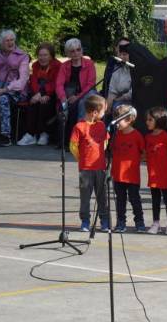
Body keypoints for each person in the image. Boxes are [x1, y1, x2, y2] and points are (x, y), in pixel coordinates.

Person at [69, 94, 109, 232]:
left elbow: (105, 141)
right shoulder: (79, 126)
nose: (105, 114)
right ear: (95, 112)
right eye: (104, 111)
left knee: (102, 196)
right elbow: (73, 146)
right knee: (85, 196)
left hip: (100, 167)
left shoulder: (102, 125)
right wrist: (82, 158)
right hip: (86, 168)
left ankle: (104, 220)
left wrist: (101, 155)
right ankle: (85, 221)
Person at [0, 29, 30, 146]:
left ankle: (6, 136)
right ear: (2, 43)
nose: (11, 43)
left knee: (3, 99)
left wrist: (4, 90)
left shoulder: (23, 56)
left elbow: (22, 81)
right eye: (7, 41)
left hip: (17, 92)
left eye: (12, 40)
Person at [110, 104, 146, 233]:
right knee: (120, 200)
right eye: (115, 118)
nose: (117, 122)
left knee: (134, 199)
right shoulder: (116, 135)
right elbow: (113, 151)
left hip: (131, 175)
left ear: (129, 120)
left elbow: (143, 153)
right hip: (118, 174)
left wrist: (135, 162)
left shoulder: (137, 136)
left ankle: (140, 221)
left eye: (119, 119)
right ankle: (121, 222)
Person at [56, 38, 98, 147]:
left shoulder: (89, 64)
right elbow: (59, 84)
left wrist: (78, 97)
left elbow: (90, 84)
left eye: (78, 50)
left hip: (85, 95)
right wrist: (63, 98)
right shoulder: (64, 66)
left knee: (79, 105)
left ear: (81, 50)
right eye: (72, 51)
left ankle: (78, 139)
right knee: (63, 108)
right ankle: (64, 141)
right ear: (68, 53)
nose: (76, 53)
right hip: (68, 95)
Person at [17, 43, 61, 146]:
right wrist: (37, 94)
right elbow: (33, 81)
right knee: (32, 102)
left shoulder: (58, 66)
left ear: (51, 56)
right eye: (40, 55)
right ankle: (30, 134)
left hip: (53, 93)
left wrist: (44, 94)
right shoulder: (35, 65)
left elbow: (56, 83)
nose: (42, 58)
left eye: (45, 55)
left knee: (45, 103)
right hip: (37, 92)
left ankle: (44, 133)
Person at [144, 107, 167, 235]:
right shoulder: (148, 137)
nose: (147, 122)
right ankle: (156, 223)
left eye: (150, 120)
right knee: (155, 199)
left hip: (164, 174)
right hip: (152, 175)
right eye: (147, 120)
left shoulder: (166, 137)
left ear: (159, 120)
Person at [104, 38, 133, 114]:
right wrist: (108, 104)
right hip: (118, 98)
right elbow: (112, 90)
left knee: (117, 107)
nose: (121, 57)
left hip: (132, 100)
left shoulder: (137, 67)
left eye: (124, 54)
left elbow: (134, 91)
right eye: (120, 53)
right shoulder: (117, 66)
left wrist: (119, 99)